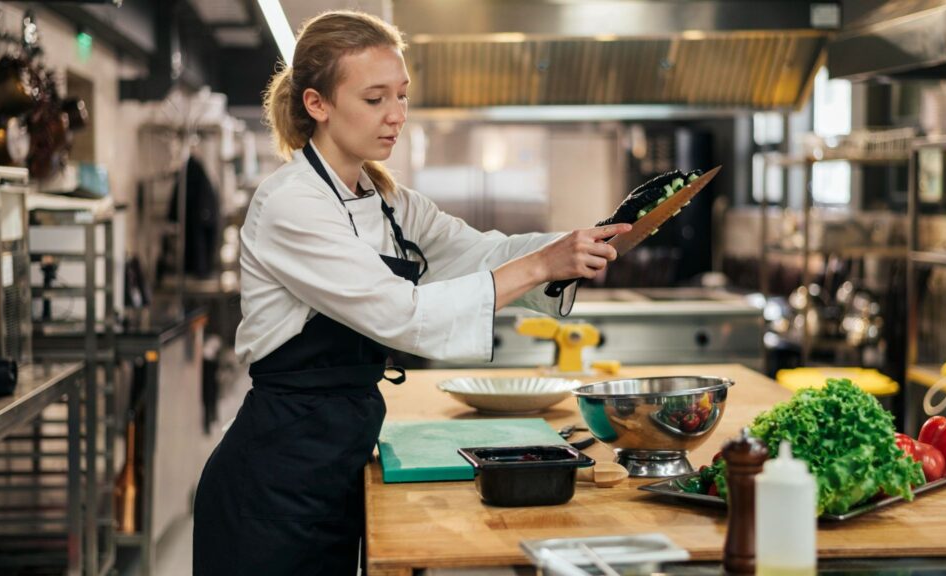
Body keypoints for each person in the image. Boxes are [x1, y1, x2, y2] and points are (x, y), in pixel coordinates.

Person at [192, 10, 629, 575]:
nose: (396, 116)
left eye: (401, 96)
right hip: (272, 481)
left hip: (336, 461)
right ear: (316, 104)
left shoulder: (387, 199)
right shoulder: (291, 205)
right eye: (375, 99)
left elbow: (481, 253)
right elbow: (402, 315)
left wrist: (577, 247)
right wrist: (545, 263)